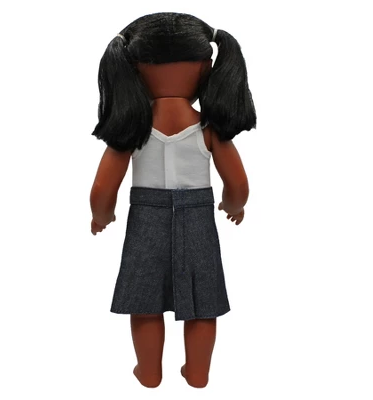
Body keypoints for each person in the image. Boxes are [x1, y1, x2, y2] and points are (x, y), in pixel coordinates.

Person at [89, 12, 256, 388]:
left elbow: (102, 189)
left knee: (144, 299)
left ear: (133, 69)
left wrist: (102, 215)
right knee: (202, 299)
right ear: (206, 67)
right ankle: (197, 372)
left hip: (145, 218)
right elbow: (238, 184)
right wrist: (233, 206)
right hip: (198, 218)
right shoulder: (209, 129)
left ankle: (149, 371)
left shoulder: (131, 130)